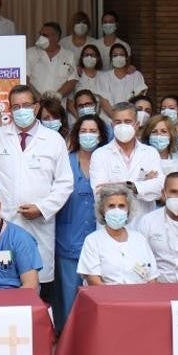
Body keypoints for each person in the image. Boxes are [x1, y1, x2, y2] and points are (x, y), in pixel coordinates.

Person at [0, 85, 72, 302]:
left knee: (39, 288)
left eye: (26, 105)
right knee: (5, 283)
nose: (21, 110)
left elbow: (65, 183)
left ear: (36, 108)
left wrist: (42, 208)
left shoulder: (53, 140)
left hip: (40, 224)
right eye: (15, 106)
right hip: (6, 222)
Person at [56, 115, 105, 321]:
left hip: (101, 240)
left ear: (101, 135)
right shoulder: (66, 161)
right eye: (83, 131)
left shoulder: (107, 161)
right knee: (70, 297)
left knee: (99, 297)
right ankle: (69, 342)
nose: (88, 135)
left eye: (93, 131)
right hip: (69, 239)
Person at [90, 101, 164, 219]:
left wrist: (124, 185)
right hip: (113, 223)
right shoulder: (100, 154)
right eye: (118, 122)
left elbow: (159, 188)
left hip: (144, 221)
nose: (122, 126)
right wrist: (139, 185)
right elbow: (99, 193)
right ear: (112, 125)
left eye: (128, 122)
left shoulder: (150, 153)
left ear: (137, 124)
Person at [79, 183, 159, 286]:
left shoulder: (139, 239)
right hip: (107, 299)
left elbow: (152, 278)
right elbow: (93, 280)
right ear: (102, 210)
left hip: (139, 298)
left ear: (128, 210)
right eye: (111, 206)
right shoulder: (92, 241)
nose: (117, 210)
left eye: (121, 206)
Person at [26, 22, 77, 100]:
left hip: (57, 106)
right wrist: (38, 97)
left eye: (45, 35)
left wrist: (58, 96)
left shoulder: (69, 55)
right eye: (40, 34)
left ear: (56, 37)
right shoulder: (29, 53)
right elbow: (25, 78)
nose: (41, 38)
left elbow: (72, 80)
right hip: (34, 104)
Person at [100, 44, 146, 116]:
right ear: (111, 58)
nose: (118, 57)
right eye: (115, 55)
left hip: (131, 117)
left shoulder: (136, 75)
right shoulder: (104, 77)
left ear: (126, 58)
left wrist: (127, 117)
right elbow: (103, 101)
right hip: (109, 119)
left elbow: (139, 99)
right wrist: (116, 118)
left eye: (121, 55)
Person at [71, 46, 107, 119]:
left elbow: (105, 101)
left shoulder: (105, 76)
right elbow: (69, 102)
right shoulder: (76, 75)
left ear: (98, 58)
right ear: (81, 58)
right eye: (86, 55)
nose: (89, 57)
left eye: (92, 55)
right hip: (77, 119)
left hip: (100, 119)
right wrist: (79, 118)